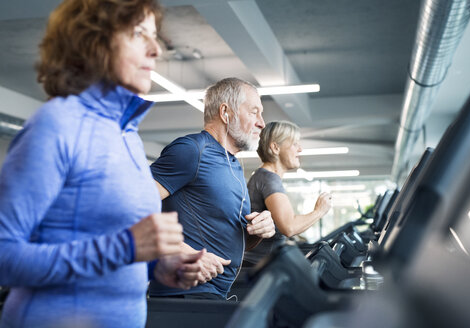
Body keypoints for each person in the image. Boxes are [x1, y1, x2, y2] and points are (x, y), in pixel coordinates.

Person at [0, 1, 204, 327]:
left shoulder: (126, 134)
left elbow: (113, 247)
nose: (155, 50)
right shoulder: (56, 124)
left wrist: (157, 266)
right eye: (139, 34)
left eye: (155, 37)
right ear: (94, 40)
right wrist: (125, 247)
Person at [149, 77, 276, 299]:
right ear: (226, 112)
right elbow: (128, 208)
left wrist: (258, 230)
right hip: (186, 294)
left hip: (215, 292)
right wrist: (185, 251)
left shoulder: (233, 164)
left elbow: (232, 239)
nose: (262, 123)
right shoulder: (192, 151)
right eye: (254, 112)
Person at [243, 121, 332, 266]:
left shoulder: (265, 176)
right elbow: (289, 227)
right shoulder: (268, 178)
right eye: (294, 144)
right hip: (259, 270)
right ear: (275, 147)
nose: (300, 149)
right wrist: (319, 211)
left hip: (263, 265)